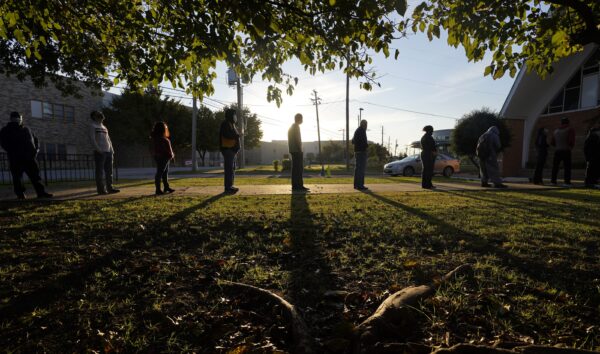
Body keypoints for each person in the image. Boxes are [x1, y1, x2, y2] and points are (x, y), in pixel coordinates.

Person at [0, 111, 53, 199]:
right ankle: (20, 195)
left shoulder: (26, 129)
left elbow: (35, 140)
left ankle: (41, 193)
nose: (19, 120)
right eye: (17, 118)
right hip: (16, 159)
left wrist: (36, 150)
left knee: (36, 176)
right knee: (17, 178)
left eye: (20, 118)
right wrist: (13, 152)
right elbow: (4, 143)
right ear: (12, 119)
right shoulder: (5, 130)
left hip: (30, 158)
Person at [90, 111, 119, 195]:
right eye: (98, 114)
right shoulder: (92, 126)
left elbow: (108, 139)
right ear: (94, 117)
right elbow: (92, 139)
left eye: (101, 114)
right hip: (100, 152)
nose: (100, 115)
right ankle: (101, 190)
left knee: (109, 171)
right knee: (100, 172)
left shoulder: (104, 127)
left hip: (108, 151)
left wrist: (112, 150)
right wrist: (98, 150)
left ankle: (110, 188)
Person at [151, 121, 175, 195]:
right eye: (165, 127)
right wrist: (170, 155)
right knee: (160, 172)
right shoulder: (160, 139)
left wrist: (171, 156)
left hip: (164, 157)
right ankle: (158, 189)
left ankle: (166, 187)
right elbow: (164, 149)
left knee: (165, 172)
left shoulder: (158, 138)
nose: (166, 128)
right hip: (163, 157)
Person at [220, 108, 240, 193]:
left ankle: (230, 185)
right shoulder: (225, 124)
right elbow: (227, 135)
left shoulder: (231, 124)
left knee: (232, 168)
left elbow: (234, 135)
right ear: (230, 115)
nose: (235, 116)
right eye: (234, 114)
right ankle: (228, 187)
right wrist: (237, 135)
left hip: (232, 150)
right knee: (229, 169)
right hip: (228, 149)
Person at [550, 117, 575, 186]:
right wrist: (570, 147)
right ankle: (566, 182)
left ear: (561, 123)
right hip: (566, 150)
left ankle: (553, 181)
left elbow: (552, 142)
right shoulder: (570, 129)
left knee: (555, 167)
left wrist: (558, 146)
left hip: (557, 151)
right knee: (567, 167)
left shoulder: (556, 131)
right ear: (568, 122)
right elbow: (571, 140)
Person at [288, 113, 308, 192]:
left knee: (295, 169)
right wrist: (300, 149)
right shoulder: (296, 127)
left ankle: (295, 186)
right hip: (296, 150)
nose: (302, 120)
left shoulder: (292, 127)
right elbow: (297, 139)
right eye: (301, 119)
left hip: (293, 150)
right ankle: (299, 186)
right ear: (298, 119)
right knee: (298, 168)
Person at [352, 119, 369, 190]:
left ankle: (356, 185)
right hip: (361, 152)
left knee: (357, 169)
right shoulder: (362, 131)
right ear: (363, 124)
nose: (367, 126)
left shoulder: (357, 130)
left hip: (357, 152)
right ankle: (360, 185)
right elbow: (363, 142)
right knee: (361, 169)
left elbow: (353, 141)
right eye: (366, 124)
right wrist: (366, 145)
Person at [583, 123, 600, 188]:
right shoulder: (595, 137)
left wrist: (587, 157)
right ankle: (592, 182)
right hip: (594, 156)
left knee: (591, 169)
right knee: (593, 169)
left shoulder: (588, 137)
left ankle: (590, 182)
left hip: (590, 156)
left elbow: (585, 148)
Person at [420, 125, 437, 189]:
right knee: (429, 170)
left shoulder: (423, 137)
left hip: (424, 154)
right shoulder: (429, 137)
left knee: (425, 170)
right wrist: (434, 152)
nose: (432, 132)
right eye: (432, 130)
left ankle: (424, 185)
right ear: (429, 130)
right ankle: (428, 185)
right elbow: (432, 147)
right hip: (428, 154)